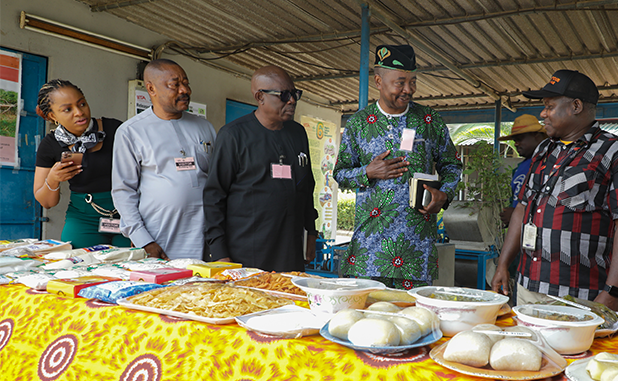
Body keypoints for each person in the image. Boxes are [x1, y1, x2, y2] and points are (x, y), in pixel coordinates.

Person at [490, 69, 618, 311]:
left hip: (579, 295)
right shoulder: (543, 151)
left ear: (576, 106)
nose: (543, 113)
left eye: (550, 106)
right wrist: (503, 264)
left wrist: (613, 291)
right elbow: (522, 210)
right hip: (528, 288)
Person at [333, 44, 463, 290]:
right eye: (400, 82)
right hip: (368, 254)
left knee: (413, 323)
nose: (408, 90)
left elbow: (451, 165)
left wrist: (444, 194)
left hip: (416, 252)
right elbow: (340, 174)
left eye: (413, 82)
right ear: (379, 81)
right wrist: (367, 172)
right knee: (368, 322)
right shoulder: (359, 124)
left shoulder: (429, 121)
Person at [203, 65, 318, 272]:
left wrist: (311, 231)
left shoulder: (297, 133)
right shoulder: (233, 136)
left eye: (294, 94)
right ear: (260, 97)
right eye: (283, 95)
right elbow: (214, 196)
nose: (291, 100)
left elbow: (307, 186)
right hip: (247, 251)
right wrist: (219, 253)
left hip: (289, 250)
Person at [112, 59, 216, 260]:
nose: (184, 90)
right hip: (160, 236)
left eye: (186, 83)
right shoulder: (131, 132)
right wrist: (144, 240)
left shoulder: (205, 127)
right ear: (151, 89)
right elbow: (123, 191)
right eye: (175, 85)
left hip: (204, 234)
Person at [32, 80, 130, 248]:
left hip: (127, 214)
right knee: (77, 266)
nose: (79, 112)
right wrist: (53, 179)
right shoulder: (50, 145)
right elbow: (46, 202)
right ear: (52, 116)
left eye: (82, 104)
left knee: (133, 266)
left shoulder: (115, 129)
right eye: (67, 109)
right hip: (83, 218)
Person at [498, 114, 548, 227]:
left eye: (519, 139)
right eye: (515, 140)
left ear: (535, 135)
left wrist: (517, 215)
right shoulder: (520, 168)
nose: (516, 144)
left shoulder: (548, 164)